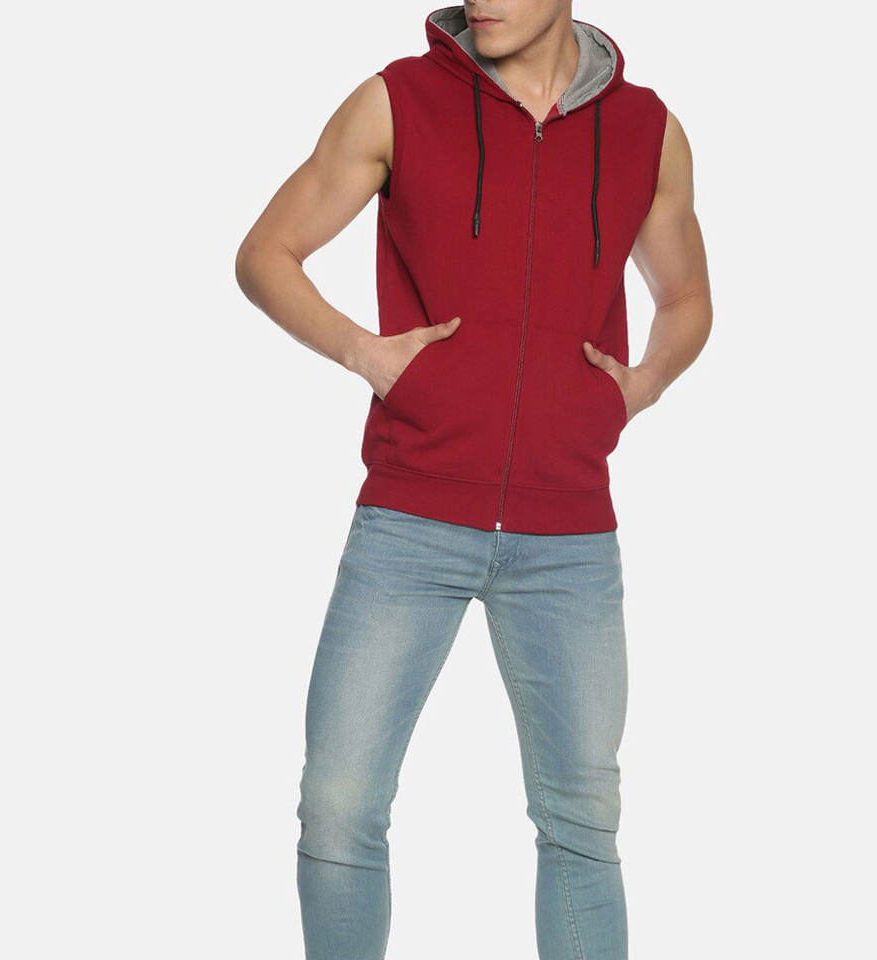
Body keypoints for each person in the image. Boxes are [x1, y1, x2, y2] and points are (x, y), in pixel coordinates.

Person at [235, 2, 711, 957]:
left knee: (582, 823)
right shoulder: (396, 102)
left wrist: (641, 385)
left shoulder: (648, 129)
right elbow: (265, 254)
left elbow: (688, 297)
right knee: (339, 804)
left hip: (570, 540)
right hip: (410, 519)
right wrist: (366, 354)